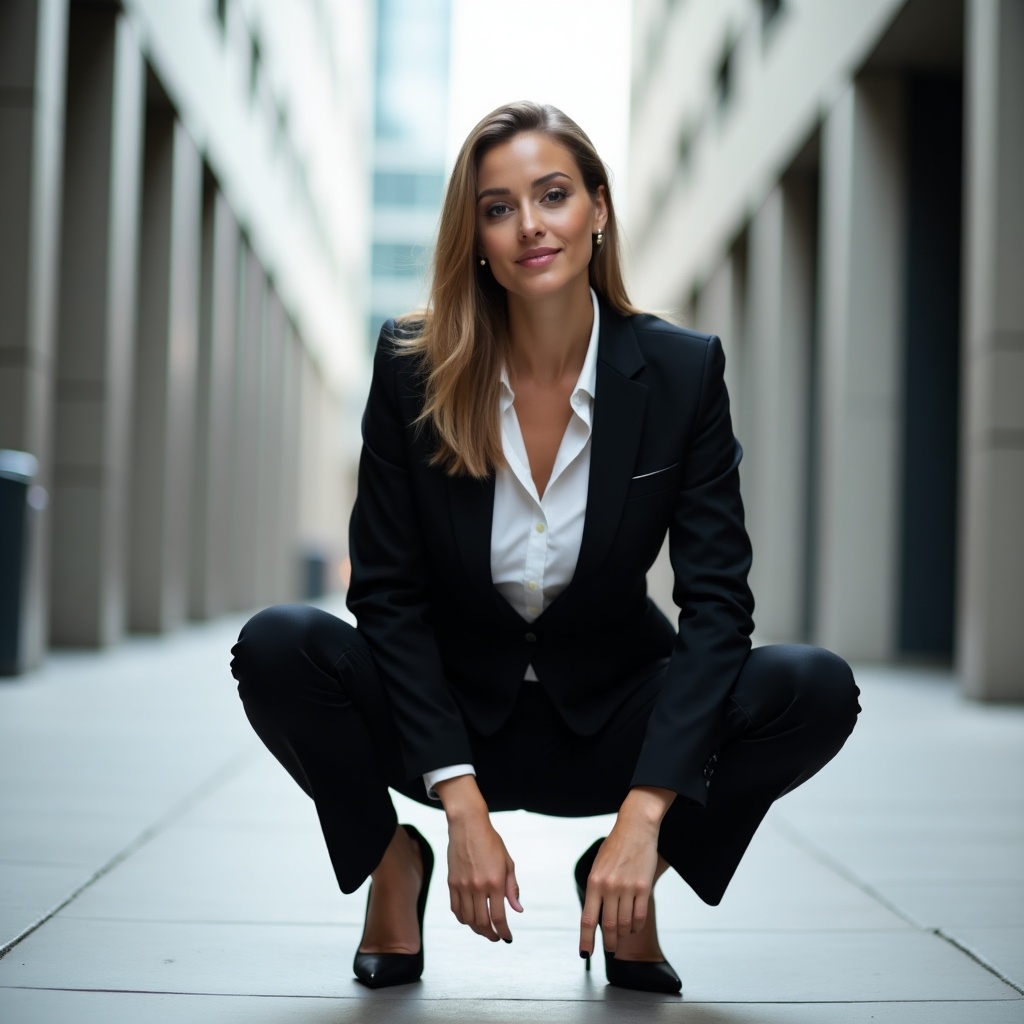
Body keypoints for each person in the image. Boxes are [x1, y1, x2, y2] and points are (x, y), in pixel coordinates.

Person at [230, 100, 860, 995]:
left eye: (553, 194)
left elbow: (718, 604)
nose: (529, 225)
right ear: (476, 236)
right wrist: (457, 801)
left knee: (812, 687)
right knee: (279, 646)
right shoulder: (414, 365)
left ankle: (628, 881)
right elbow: (387, 593)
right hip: (443, 714)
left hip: (611, 719)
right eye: (498, 207)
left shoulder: (681, 373)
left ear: (598, 209)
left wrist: (645, 819)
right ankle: (390, 867)